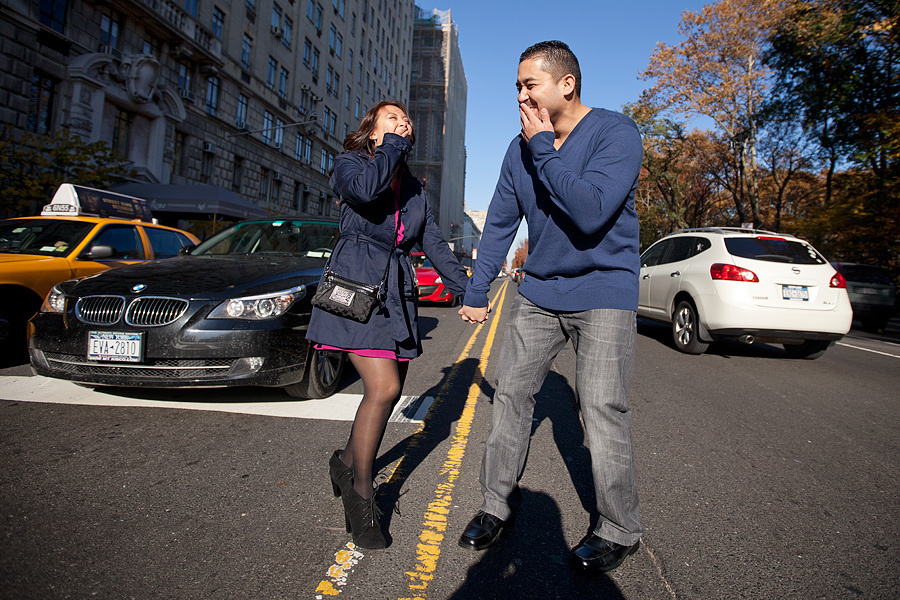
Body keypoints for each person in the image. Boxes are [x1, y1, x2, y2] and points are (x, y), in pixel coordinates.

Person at [457, 41, 644, 575]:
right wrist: (477, 291)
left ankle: (620, 528)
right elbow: (499, 223)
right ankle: (496, 504)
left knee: (601, 408)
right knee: (511, 396)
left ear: (566, 84)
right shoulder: (517, 150)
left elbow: (589, 212)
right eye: (516, 87)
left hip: (603, 291)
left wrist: (543, 147)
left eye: (529, 85)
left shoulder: (615, 133)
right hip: (538, 293)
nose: (520, 96)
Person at [308, 100, 469, 549]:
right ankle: (361, 495)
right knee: (385, 388)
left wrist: (467, 288)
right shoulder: (351, 164)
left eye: (406, 121)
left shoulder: (414, 189)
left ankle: (344, 461)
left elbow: (433, 241)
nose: (404, 123)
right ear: (373, 131)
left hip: (394, 295)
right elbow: (364, 193)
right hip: (358, 286)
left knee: (389, 391)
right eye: (393, 119)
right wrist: (391, 148)